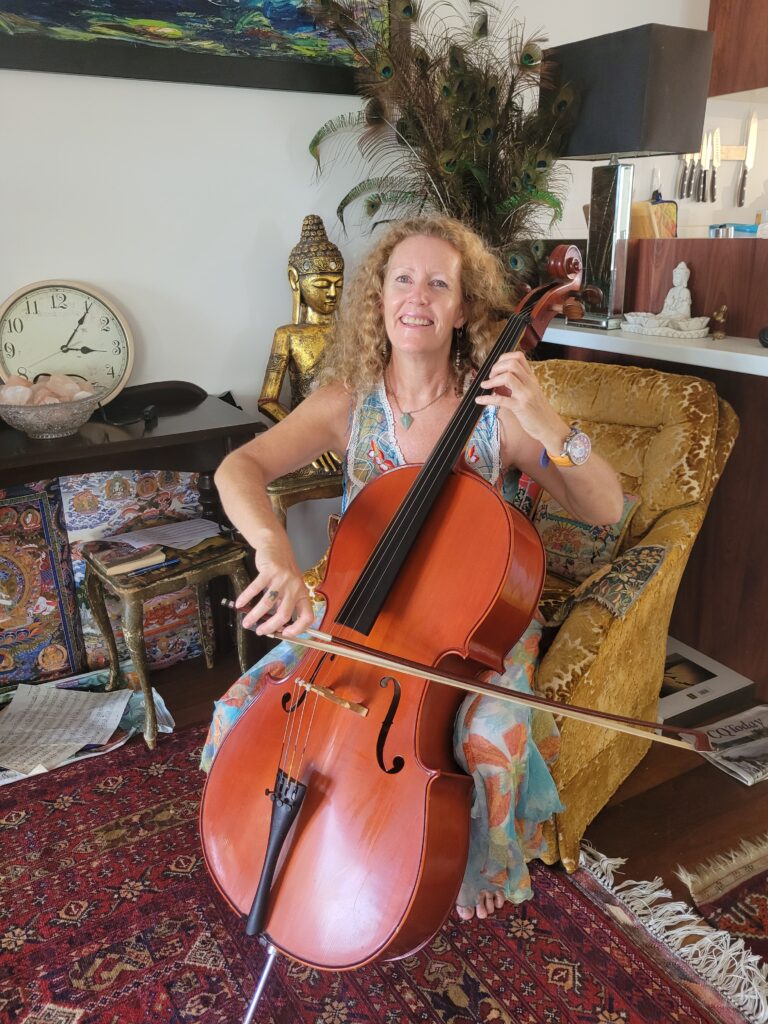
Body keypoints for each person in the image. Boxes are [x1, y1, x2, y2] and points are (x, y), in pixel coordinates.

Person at [201, 215, 624, 922]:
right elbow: (239, 468)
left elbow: (605, 508)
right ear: (380, 296)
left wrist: (548, 420)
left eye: (438, 282)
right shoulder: (348, 402)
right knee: (242, 708)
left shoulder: (500, 415)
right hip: (363, 610)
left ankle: (471, 862)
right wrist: (274, 554)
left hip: (477, 624)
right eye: (403, 278)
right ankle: (293, 840)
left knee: (485, 736)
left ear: (462, 306)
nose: (417, 296)